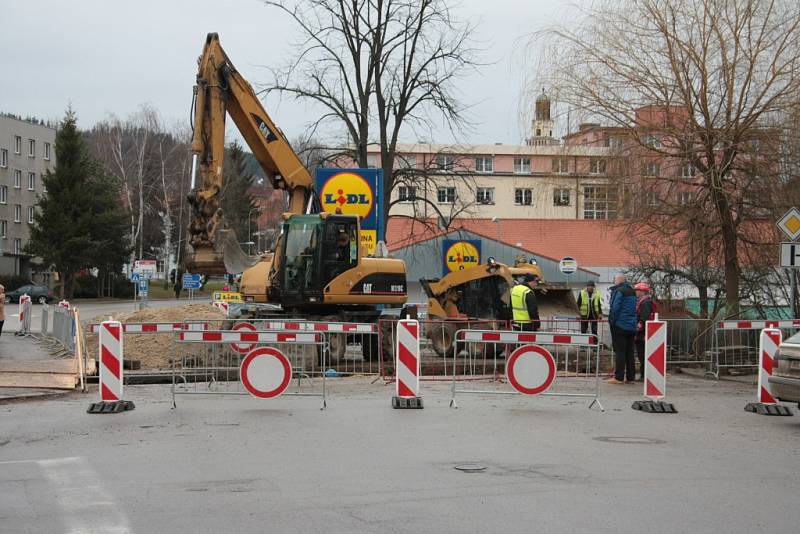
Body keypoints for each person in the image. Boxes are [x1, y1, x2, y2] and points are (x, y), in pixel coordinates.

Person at [607, 273, 637, 384]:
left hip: (620, 325)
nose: (614, 281)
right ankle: (631, 377)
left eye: (614, 279)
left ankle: (619, 377)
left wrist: (612, 322)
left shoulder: (619, 291)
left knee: (620, 351)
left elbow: (615, 307)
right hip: (631, 326)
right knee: (630, 352)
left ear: (619, 280)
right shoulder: (632, 291)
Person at [634, 282, 657, 381]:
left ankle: (645, 376)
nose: (636, 292)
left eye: (637, 290)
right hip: (644, 333)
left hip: (643, 334)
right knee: (643, 355)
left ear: (643, 291)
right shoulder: (644, 301)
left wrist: (638, 330)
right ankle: (645, 375)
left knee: (643, 355)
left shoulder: (645, 302)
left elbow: (644, 318)